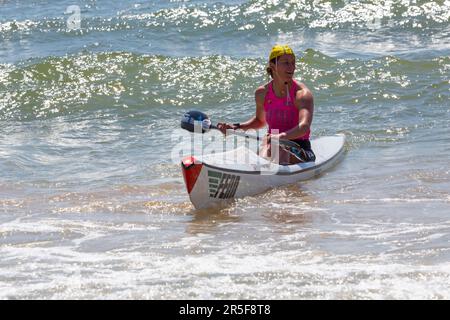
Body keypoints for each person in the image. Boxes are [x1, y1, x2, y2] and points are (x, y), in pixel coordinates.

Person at [217, 44, 316, 165]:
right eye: (286, 62)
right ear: (273, 66)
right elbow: (260, 121)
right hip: (271, 143)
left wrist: (281, 136)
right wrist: (237, 127)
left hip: (300, 146)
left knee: (278, 152)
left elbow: (304, 127)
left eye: (293, 62)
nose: (291, 67)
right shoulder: (262, 93)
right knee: (259, 158)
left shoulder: (301, 94)